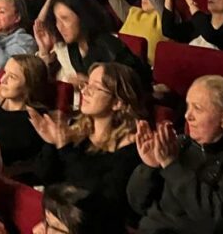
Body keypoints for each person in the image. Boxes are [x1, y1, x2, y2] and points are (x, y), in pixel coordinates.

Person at [127, 76, 223, 234]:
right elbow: (138, 204)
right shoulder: (179, 144)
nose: (187, 116)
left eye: (197, 108)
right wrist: (149, 167)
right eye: (188, 106)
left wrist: (171, 166)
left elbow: (216, 219)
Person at [25, 62, 145, 233]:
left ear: (118, 102)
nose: (85, 91)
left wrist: (63, 147)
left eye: (95, 88)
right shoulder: (76, 129)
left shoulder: (132, 149)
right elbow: (45, 177)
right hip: (59, 220)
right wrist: (51, 144)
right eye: (86, 84)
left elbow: (89, 200)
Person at [36, 0, 148, 90]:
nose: (60, 27)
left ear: (82, 17)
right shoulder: (71, 47)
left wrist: (91, 83)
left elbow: (135, 85)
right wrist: (44, 51)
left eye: (65, 19)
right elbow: (42, 82)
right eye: (57, 20)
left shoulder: (108, 45)